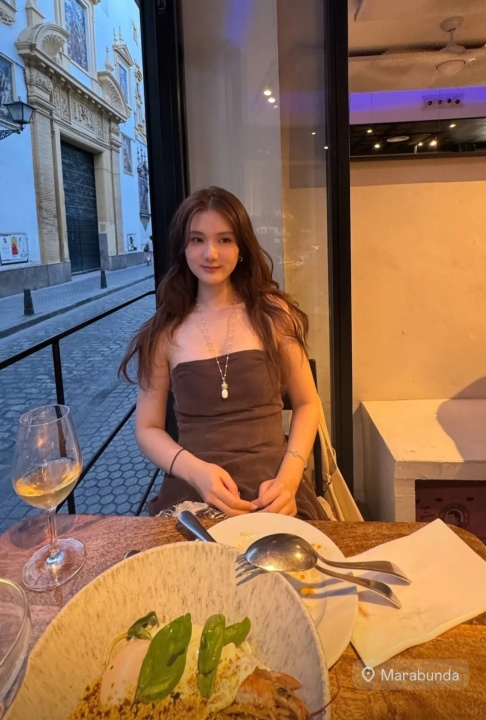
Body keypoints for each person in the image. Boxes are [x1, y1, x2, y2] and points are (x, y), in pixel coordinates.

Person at [119, 186, 327, 521]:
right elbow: (147, 428)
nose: (210, 253)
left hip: (273, 487)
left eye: (225, 239)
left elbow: (307, 403)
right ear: (183, 247)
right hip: (193, 488)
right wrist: (195, 471)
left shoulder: (274, 314)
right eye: (197, 239)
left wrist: (290, 478)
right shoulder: (165, 331)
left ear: (241, 247)